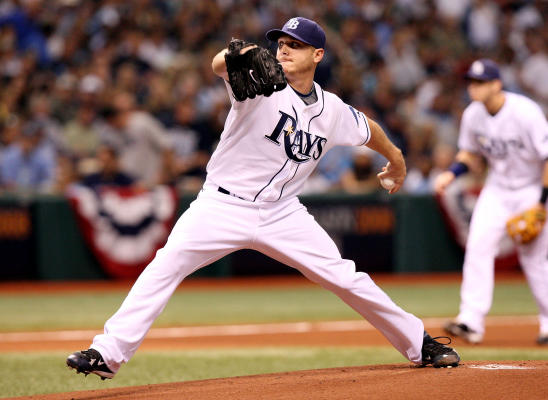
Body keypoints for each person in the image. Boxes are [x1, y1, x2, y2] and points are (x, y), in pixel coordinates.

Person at [66, 17, 460, 380]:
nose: (284, 49)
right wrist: (238, 54)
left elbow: (367, 128)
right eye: (281, 43)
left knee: (344, 276)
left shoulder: (332, 109)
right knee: (165, 266)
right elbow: (219, 65)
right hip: (221, 205)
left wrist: (396, 158)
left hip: (283, 213)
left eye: (296, 45)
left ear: (318, 55)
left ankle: (419, 342)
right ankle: (107, 353)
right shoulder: (258, 84)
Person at [435, 59, 548, 345]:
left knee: (534, 261)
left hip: (531, 189)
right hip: (496, 190)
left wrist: (541, 203)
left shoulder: (525, 112)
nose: (474, 87)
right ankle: (471, 321)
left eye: (480, 82)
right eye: (471, 82)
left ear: (497, 84)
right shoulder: (473, 114)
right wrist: (452, 173)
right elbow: (469, 154)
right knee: (477, 247)